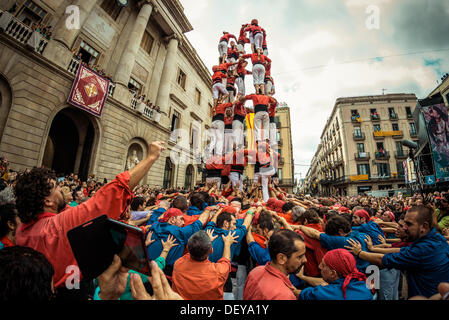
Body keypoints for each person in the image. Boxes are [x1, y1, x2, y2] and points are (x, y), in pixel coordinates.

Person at [13, 141, 166, 297]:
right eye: (56, 188)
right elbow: (110, 196)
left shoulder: (22, 230)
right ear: (48, 201)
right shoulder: (57, 227)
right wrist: (151, 157)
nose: (61, 189)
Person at [344, 205, 449, 298]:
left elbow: (383, 260)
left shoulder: (424, 249)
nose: (404, 228)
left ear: (424, 226)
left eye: (408, 224)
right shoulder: (437, 239)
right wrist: (372, 249)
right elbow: (401, 249)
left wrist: (359, 253)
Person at [146, 207, 216, 275]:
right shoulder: (179, 232)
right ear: (172, 219)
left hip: (145, 270)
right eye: (181, 219)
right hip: (163, 275)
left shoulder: (153, 227)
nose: (183, 223)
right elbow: (201, 221)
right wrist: (208, 209)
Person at [171, 230, 238, 300]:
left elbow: (194, 251)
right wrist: (227, 243)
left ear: (188, 248)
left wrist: (205, 243)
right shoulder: (218, 271)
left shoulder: (178, 264)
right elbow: (226, 260)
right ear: (211, 250)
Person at [243, 229, 307, 300]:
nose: (305, 260)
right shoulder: (284, 295)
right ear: (281, 258)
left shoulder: (254, 272)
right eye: (300, 257)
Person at [296, 249, 373, 300]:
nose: (319, 266)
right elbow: (325, 284)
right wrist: (302, 276)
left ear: (333, 273)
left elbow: (297, 293)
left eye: (323, 265)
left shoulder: (322, 294)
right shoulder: (362, 284)